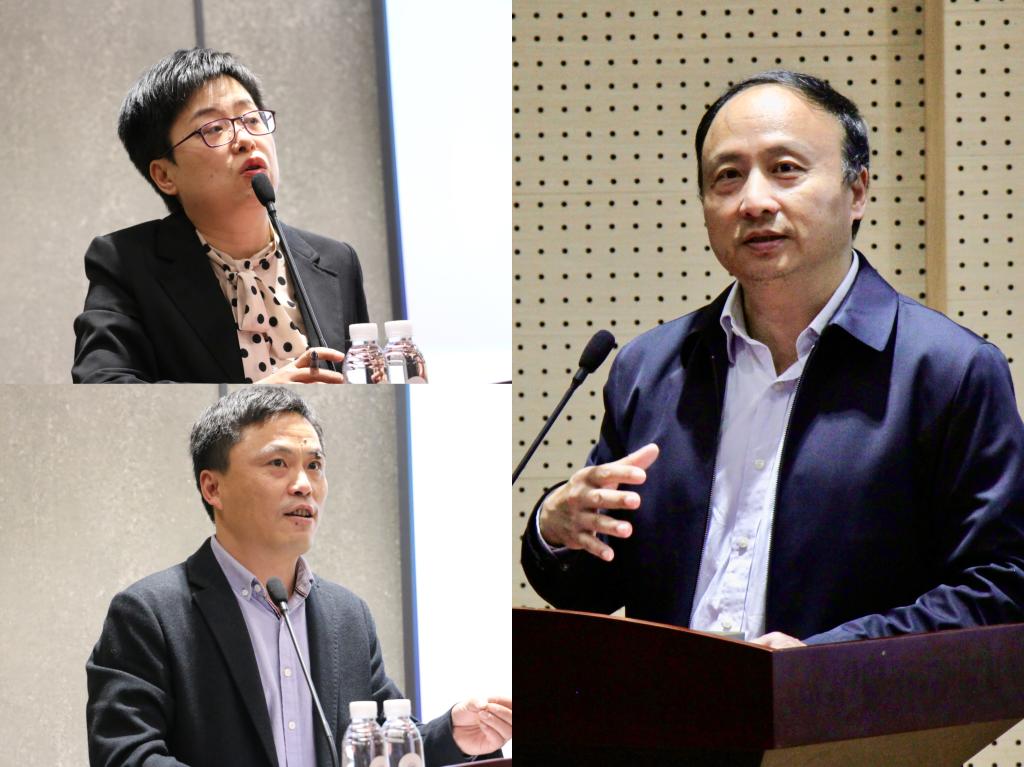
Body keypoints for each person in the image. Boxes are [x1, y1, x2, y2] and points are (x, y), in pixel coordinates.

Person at [521, 70, 1024, 647]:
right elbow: (593, 588)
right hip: (671, 705)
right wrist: (554, 527)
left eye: (785, 169)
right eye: (727, 177)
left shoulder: (950, 372)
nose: (754, 201)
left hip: (848, 705)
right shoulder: (650, 371)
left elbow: (1001, 587)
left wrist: (821, 661)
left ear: (857, 191)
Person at [87, 387, 511, 766]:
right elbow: (126, 756)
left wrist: (453, 736)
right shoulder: (149, 614)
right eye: (278, 463)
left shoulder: (347, 615)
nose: (304, 485)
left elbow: (380, 745)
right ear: (213, 488)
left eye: (315, 465)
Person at [73, 48, 367, 383]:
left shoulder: (336, 261)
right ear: (165, 175)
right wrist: (258, 395)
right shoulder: (124, 263)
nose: (245, 140)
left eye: (252, 119)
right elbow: (102, 382)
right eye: (213, 128)